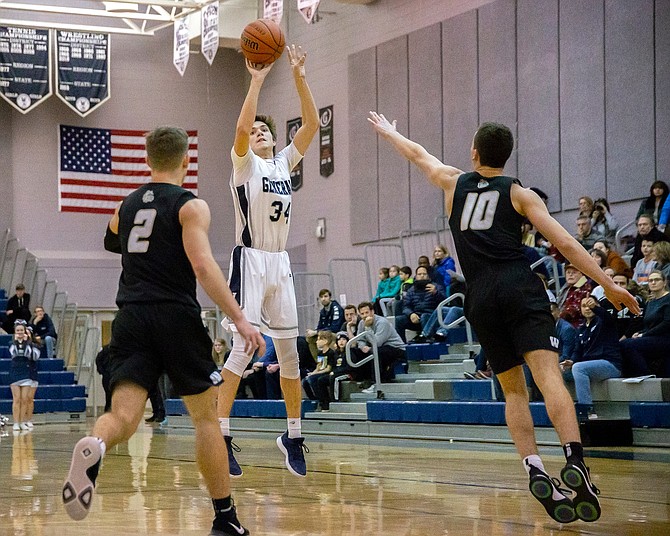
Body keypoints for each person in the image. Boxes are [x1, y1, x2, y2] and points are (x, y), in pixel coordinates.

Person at [368, 112, 640, 523]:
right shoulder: (521, 194)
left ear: (474, 153)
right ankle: (575, 460)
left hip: (479, 296)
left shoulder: (451, 181)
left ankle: (533, 466)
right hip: (518, 286)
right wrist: (610, 282)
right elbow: (564, 241)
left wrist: (390, 133)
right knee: (548, 378)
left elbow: (417, 155)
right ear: (506, 158)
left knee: (513, 391)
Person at [61, 126, 264, 536]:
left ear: (147, 159)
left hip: (130, 317)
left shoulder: (125, 205)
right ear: (185, 160)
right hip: (175, 314)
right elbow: (203, 267)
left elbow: (113, 240)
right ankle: (225, 519)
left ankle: (95, 447)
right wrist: (240, 318)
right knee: (206, 420)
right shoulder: (191, 206)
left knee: (123, 415)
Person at [216, 45, 319, 481]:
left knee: (291, 355)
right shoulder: (244, 165)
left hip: (281, 263)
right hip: (251, 259)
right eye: (254, 129)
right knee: (243, 348)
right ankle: (219, 436)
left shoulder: (282, 162)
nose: (257, 131)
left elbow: (312, 124)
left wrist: (297, 74)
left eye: (264, 129)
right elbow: (241, 125)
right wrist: (256, 80)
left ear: (275, 139)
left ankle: (292, 436)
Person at [560, 298, 622, 420]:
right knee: (559, 371)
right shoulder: (581, 329)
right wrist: (571, 361)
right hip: (589, 367)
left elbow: (608, 317)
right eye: (584, 306)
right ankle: (565, 408)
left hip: (610, 364)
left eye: (590, 305)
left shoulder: (604, 322)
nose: (587, 308)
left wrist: (596, 308)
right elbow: (577, 351)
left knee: (579, 368)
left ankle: (587, 410)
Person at [620, 270, 670, 378]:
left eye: (656, 280)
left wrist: (644, 335)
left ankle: (645, 375)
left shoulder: (668, 299)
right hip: (651, 337)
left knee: (628, 344)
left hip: (665, 337)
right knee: (625, 344)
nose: (653, 282)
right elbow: (646, 324)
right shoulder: (650, 302)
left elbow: (667, 323)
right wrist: (639, 332)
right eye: (650, 280)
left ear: (665, 282)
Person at [394, 265, 446, 343]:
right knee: (398, 320)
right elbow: (406, 306)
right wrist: (411, 314)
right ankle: (402, 345)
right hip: (416, 317)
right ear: (416, 276)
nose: (422, 276)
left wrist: (436, 293)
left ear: (428, 276)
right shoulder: (411, 290)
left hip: (431, 316)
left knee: (424, 316)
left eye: (424, 274)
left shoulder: (436, 287)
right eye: (419, 274)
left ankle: (427, 340)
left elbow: (445, 303)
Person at [9, 320, 40, 431]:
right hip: (15, 372)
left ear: (25, 331)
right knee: (16, 399)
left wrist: (27, 343)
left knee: (24, 399)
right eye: (18, 330)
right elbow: (15, 354)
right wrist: (18, 342)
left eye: (22, 330)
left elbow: (30, 356)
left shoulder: (31, 344)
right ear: (15, 331)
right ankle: (16, 422)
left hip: (26, 373)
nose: (20, 332)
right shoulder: (11, 343)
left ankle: (22, 421)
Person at [305, 289, 344, 358]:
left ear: (330, 297)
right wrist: (314, 332)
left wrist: (316, 332)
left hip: (337, 334)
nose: (323, 299)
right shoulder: (323, 311)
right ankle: (319, 363)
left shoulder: (336, 308)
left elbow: (335, 328)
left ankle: (331, 362)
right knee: (309, 338)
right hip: (325, 333)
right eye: (321, 297)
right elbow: (320, 326)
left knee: (329, 336)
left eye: (325, 296)